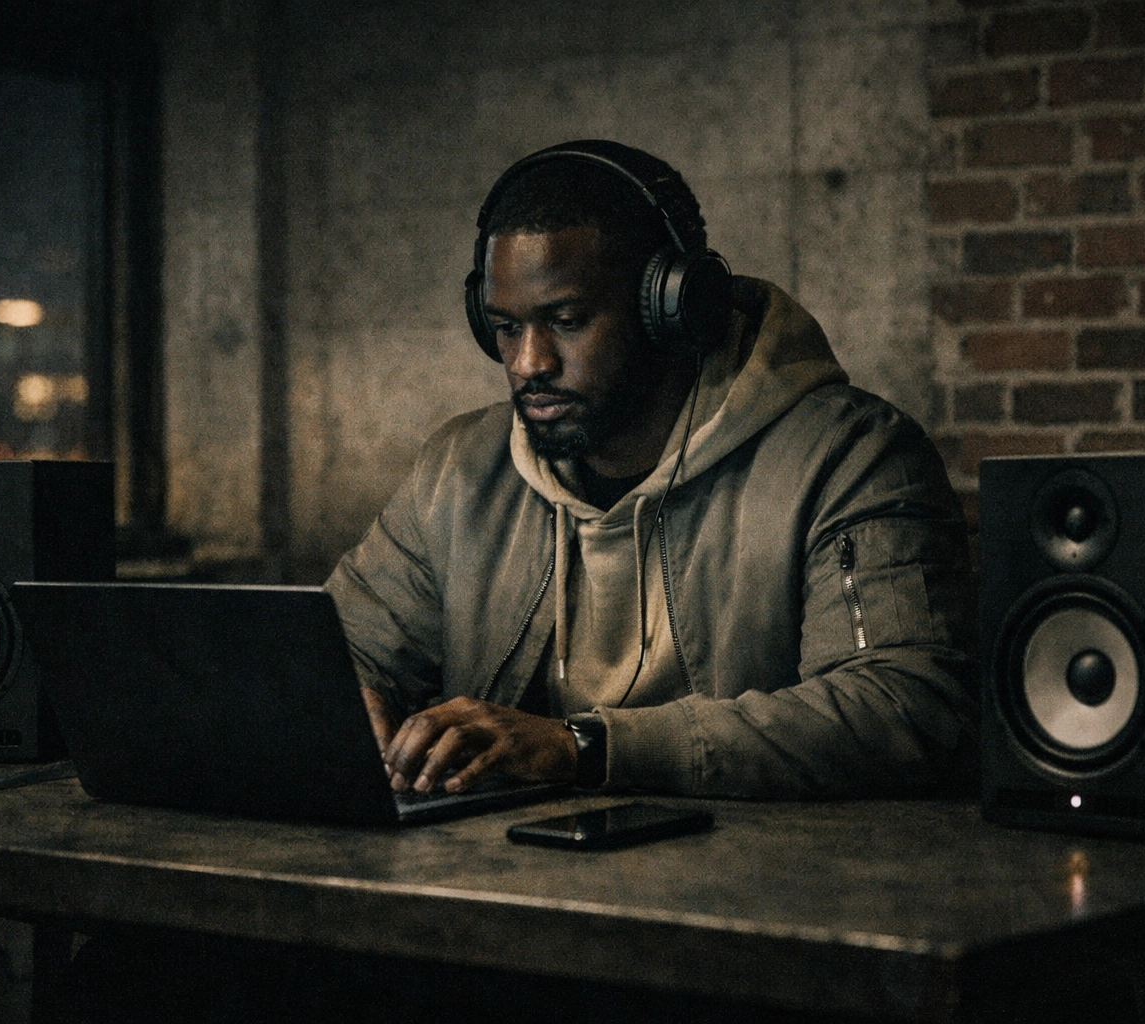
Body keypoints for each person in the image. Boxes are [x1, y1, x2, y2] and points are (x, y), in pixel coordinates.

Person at [326, 140, 976, 800]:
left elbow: (904, 706)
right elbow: (336, 648)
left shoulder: (848, 456)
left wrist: (582, 747)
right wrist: (350, 698)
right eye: (504, 327)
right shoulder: (461, 471)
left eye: (567, 320)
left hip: (757, 880)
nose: (528, 363)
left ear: (672, 308)